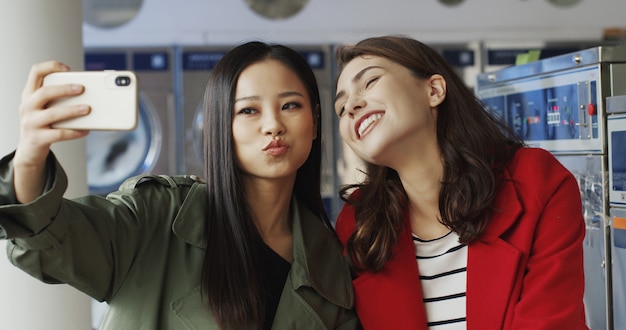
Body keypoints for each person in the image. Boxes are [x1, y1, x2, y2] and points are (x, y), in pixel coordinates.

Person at [0, 41, 359, 329]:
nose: (273, 126)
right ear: (220, 126)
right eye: (248, 110)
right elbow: (48, 238)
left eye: (290, 105)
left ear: (314, 120)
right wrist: (31, 157)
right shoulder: (159, 216)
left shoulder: (328, 261)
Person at [332, 35, 588, 330]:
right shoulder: (359, 224)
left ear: (434, 90)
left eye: (370, 81)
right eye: (341, 109)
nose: (351, 105)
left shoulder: (537, 182)